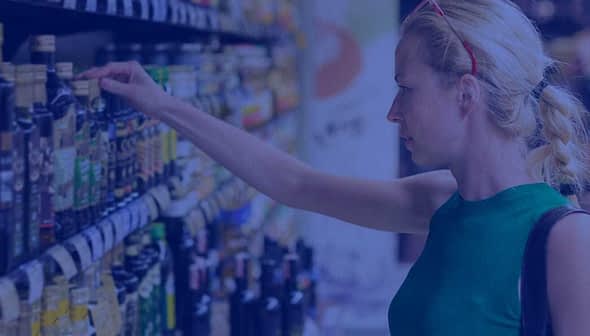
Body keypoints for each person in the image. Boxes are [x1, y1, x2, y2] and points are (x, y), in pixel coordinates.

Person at [80, 0, 590, 334]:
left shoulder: (564, 240)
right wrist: (163, 105)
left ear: (465, 92)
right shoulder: (441, 203)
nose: (393, 112)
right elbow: (293, 183)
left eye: (405, 89)